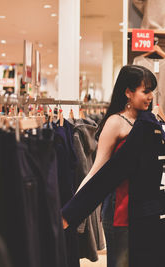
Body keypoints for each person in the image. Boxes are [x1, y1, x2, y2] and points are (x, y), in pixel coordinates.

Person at [63, 65, 156, 267]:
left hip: (145, 207)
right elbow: (97, 170)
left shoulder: (148, 121)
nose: (150, 96)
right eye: (145, 91)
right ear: (128, 92)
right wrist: (73, 209)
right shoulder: (115, 123)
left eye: (152, 91)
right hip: (120, 208)